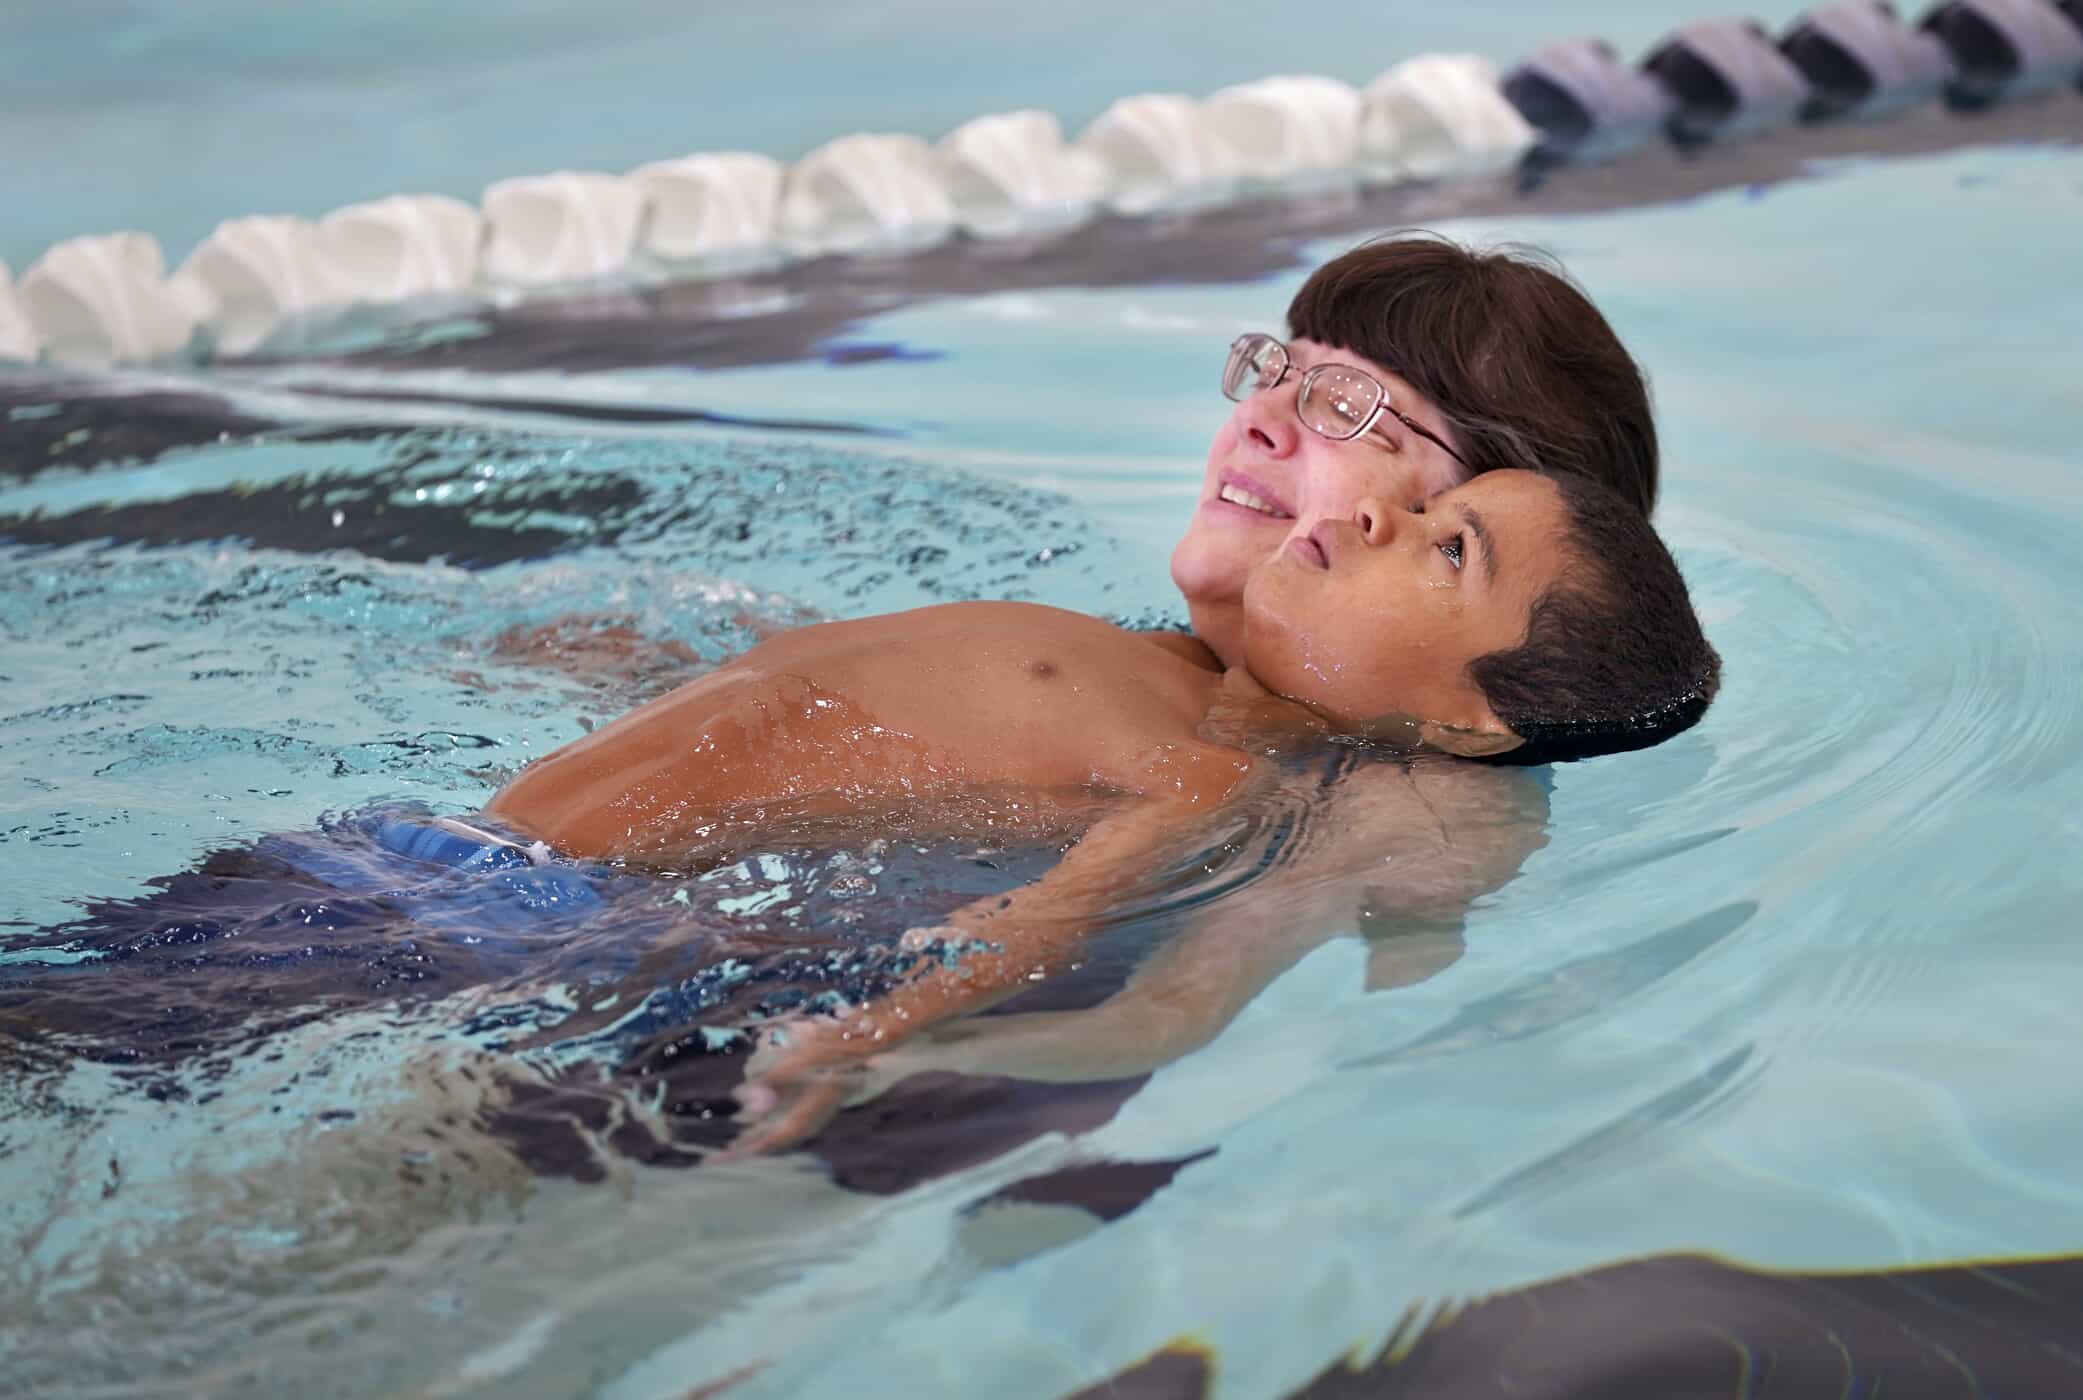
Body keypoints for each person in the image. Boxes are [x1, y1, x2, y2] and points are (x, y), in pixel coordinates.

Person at [486, 464, 1718, 1151]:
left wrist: (878, 1036)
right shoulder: (1146, 661)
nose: (1372, 507)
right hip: (460, 856)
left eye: (1449, 550)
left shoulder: (1204, 777)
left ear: (1468, 726)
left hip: (512, 915)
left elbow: (1043, 923)